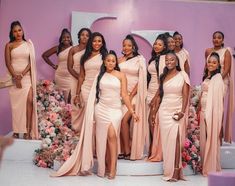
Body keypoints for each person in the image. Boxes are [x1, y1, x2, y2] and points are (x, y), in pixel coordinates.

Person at [51, 51, 138, 179]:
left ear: (116, 63)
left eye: (113, 61)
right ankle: (105, 168)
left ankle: (113, 168)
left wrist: (132, 111)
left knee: (112, 136)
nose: (110, 63)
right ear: (104, 62)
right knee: (103, 139)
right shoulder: (100, 75)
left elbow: (124, 95)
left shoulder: (121, 75)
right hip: (101, 109)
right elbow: (94, 95)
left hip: (115, 109)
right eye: (108, 60)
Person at [150, 51, 190, 181]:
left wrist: (182, 112)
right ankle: (169, 171)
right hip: (164, 111)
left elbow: (185, 96)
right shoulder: (163, 76)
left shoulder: (183, 75)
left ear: (177, 61)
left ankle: (176, 171)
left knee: (176, 140)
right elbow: (160, 96)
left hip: (177, 110)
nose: (169, 62)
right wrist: (154, 112)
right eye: (167, 60)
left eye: (172, 60)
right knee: (167, 142)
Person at [5, 21, 38, 139]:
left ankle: (27, 131)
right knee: (17, 106)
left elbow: (31, 62)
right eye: (15, 31)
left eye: (19, 30)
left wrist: (22, 75)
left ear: (23, 31)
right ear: (12, 33)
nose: (18, 33)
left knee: (29, 101)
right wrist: (15, 76)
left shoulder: (28, 44)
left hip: (27, 77)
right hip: (14, 79)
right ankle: (16, 130)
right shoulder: (9, 45)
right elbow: (8, 63)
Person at [118, 35, 147, 160]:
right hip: (121, 95)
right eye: (124, 45)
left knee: (125, 120)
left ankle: (128, 150)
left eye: (129, 45)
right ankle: (123, 149)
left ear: (134, 46)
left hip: (135, 95)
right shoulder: (120, 60)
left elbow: (141, 79)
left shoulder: (140, 59)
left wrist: (131, 95)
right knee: (120, 121)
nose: (126, 47)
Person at [73, 32, 108, 135]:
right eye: (94, 41)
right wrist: (77, 94)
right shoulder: (85, 57)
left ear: (102, 43)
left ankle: (95, 141)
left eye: (99, 41)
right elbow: (81, 76)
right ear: (91, 42)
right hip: (86, 89)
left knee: (96, 115)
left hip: (99, 90)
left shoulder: (105, 56)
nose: (97, 43)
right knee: (88, 115)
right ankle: (87, 139)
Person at [205, 31, 234, 143]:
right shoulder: (208, 51)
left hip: (222, 81)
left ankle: (219, 135)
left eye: (219, 38)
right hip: (209, 80)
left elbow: (226, 70)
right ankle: (209, 134)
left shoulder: (226, 52)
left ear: (222, 40)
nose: (216, 40)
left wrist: (216, 80)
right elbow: (206, 67)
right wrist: (207, 80)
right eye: (214, 38)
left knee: (218, 106)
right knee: (208, 106)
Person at [199, 52, 224, 176]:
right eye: (209, 62)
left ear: (218, 64)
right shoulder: (208, 77)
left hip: (211, 112)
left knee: (210, 138)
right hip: (203, 111)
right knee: (204, 139)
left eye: (214, 62)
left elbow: (218, 100)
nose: (211, 64)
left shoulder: (218, 78)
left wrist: (210, 114)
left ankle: (211, 166)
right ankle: (205, 163)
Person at [147, 34, 168, 162]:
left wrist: (156, 96)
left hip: (157, 92)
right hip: (149, 91)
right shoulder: (154, 58)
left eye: (159, 44)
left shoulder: (163, 59)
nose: (156, 46)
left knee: (153, 121)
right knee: (151, 122)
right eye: (155, 44)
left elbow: (162, 79)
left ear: (164, 47)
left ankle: (156, 150)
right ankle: (152, 149)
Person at [67, 28, 92, 132]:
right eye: (82, 34)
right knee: (75, 102)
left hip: (87, 79)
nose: (84, 37)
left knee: (85, 101)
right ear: (79, 36)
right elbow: (69, 67)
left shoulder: (91, 51)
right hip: (75, 77)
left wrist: (85, 79)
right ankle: (75, 128)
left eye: (87, 35)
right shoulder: (73, 50)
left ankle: (84, 129)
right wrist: (79, 78)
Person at [42, 28, 73, 103]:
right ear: (61, 39)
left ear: (71, 39)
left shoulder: (74, 49)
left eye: (68, 37)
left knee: (69, 99)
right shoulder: (58, 48)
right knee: (59, 99)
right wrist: (53, 65)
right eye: (64, 37)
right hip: (59, 76)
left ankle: (68, 113)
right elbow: (44, 55)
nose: (66, 39)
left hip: (70, 77)